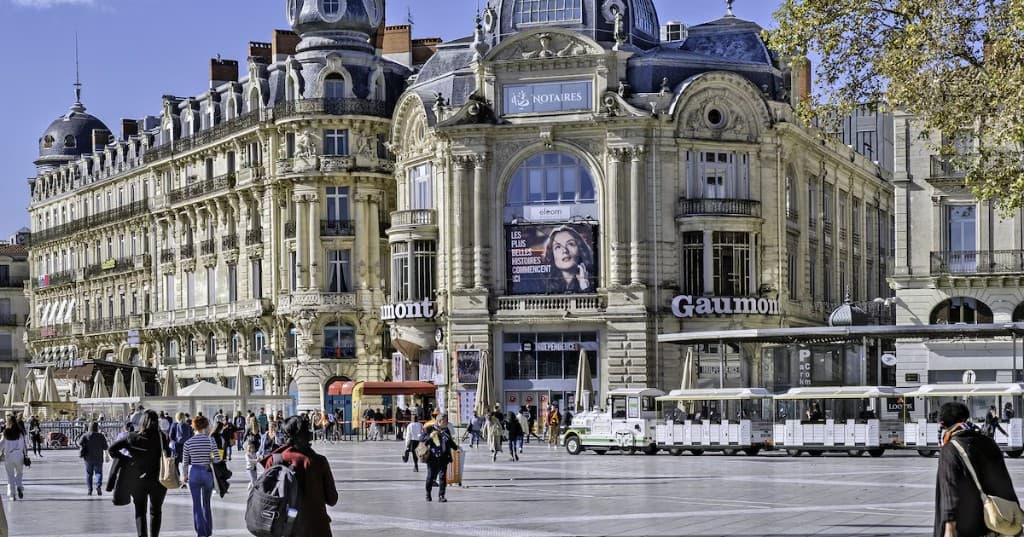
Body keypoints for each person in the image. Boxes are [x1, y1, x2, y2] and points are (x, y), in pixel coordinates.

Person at [934, 401, 1019, 537]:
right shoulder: (989, 443)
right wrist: (1013, 515)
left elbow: (950, 491)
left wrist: (949, 528)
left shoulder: (949, 449)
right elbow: (1004, 481)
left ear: (944, 425)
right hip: (994, 524)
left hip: (966, 525)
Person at [262, 416, 338, 536]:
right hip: (316, 529)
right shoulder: (318, 462)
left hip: (285, 529)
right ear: (302, 435)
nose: (310, 433)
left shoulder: (274, 461)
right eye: (307, 430)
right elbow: (332, 499)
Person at [108, 410, 171, 537]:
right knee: (156, 511)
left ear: (142, 421)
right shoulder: (161, 437)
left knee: (140, 511)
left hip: (137, 479)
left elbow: (112, 449)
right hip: (158, 479)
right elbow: (168, 453)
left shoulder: (132, 437)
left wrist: (126, 459)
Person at [182, 415, 221, 537]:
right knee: (206, 503)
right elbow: (216, 459)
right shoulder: (211, 440)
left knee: (196, 504)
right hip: (207, 472)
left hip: (194, 472)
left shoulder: (188, 443)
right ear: (205, 426)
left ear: (194, 427)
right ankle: (208, 530)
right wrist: (210, 457)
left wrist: (185, 475)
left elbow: (185, 462)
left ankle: (201, 532)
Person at [542, 225, 595, 293]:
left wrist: (584, 285)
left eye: (570, 244)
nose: (564, 250)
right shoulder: (543, 285)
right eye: (558, 247)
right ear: (552, 255)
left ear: (580, 249)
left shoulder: (594, 280)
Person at [420, 413, 459, 502]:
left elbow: (450, 441)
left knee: (442, 476)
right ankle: (428, 494)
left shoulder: (446, 430)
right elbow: (422, 440)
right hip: (432, 457)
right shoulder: (429, 429)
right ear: (439, 421)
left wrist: (456, 448)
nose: (446, 423)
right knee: (430, 476)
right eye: (445, 421)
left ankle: (441, 496)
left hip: (444, 456)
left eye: (446, 421)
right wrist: (430, 437)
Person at [78, 421, 109, 496]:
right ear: (97, 428)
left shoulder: (85, 435)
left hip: (88, 458)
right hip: (98, 457)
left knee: (89, 474)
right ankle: (98, 486)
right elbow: (105, 447)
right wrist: (107, 456)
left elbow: (79, 443)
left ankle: (89, 490)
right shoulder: (101, 436)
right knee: (98, 473)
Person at [0, 417, 26, 501]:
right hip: (19, 455)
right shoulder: (20, 433)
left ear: (8, 422)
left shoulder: (6, 432)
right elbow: (24, 445)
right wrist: (25, 455)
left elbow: (1, 444)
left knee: (10, 476)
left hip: (9, 456)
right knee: (19, 473)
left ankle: (12, 495)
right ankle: (19, 486)